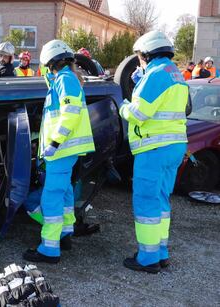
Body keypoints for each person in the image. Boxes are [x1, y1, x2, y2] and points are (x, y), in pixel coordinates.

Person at [119, 31, 188, 273]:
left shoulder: (156, 75)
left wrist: (124, 107)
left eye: (140, 57)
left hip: (154, 148)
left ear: (147, 54)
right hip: (174, 146)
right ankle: (161, 251)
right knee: (161, 199)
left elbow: (139, 113)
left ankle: (147, 259)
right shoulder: (175, 73)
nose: (139, 62)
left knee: (146, 201)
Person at [22, 40, 95, 264]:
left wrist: (54, 142)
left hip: (61, 148)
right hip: (68, 149)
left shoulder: (64, 79)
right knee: (64, 193)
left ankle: (49, 248)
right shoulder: (65, 79)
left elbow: (70, 112)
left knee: (51, 196)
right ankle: (65, 234)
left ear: (50, 62)